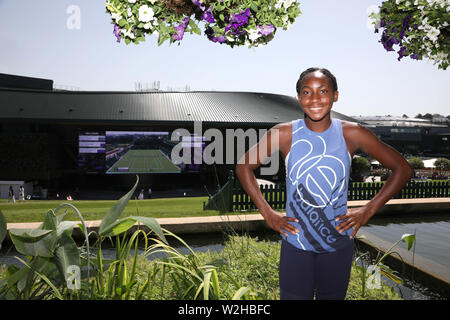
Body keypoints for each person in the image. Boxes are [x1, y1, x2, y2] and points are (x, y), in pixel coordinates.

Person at [235, 67, 413, 300]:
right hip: (295, 243)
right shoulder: (284, 133)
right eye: (307, 92)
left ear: (335, 95)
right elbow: (243, 166)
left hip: (338, 243)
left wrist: (367, 210)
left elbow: (403, 169)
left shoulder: (353, 133)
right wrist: (267, 213)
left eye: (323, 91)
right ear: (299, 98)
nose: (315, 99)